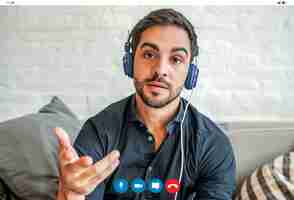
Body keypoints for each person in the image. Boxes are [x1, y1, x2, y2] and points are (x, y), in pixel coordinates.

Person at [54, 8, 236, 200]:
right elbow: (76, 190)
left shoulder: (212, 144)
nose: (160, 70)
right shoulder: (99, 131)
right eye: (149, 55)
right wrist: (71, 192)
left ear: (190, 73)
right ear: (130, 62)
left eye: (175, 59)